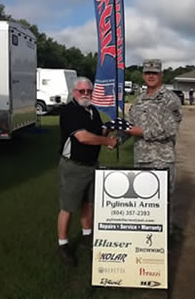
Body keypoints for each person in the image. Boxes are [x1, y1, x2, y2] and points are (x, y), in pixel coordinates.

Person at [57, 76, 117, 266]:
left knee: (88, 203)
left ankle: (86, 236)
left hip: (92, 164)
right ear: (74, 92)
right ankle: (63, 244)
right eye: (81, 91)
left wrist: (109, 128)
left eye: (88, 91)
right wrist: (108, 142)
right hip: (74, 166)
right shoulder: (69, 111)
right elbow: (82, 137)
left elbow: (97, 133)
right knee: (68, 207)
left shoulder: (93, 111)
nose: (85, 94)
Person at [119, 59, 182, 232]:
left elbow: (171, 129)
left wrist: (142, 132)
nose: (151, 76)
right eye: (148, 73)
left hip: (162, 161)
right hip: (141, 159)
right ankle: (145, 238)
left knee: (162, 201)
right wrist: (116, 139)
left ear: (161, 75)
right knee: (143, 201)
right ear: (143, 75)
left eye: (154, 73)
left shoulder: (170, 99)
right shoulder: (138, 101)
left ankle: (164, 239)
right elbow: (129, 125)